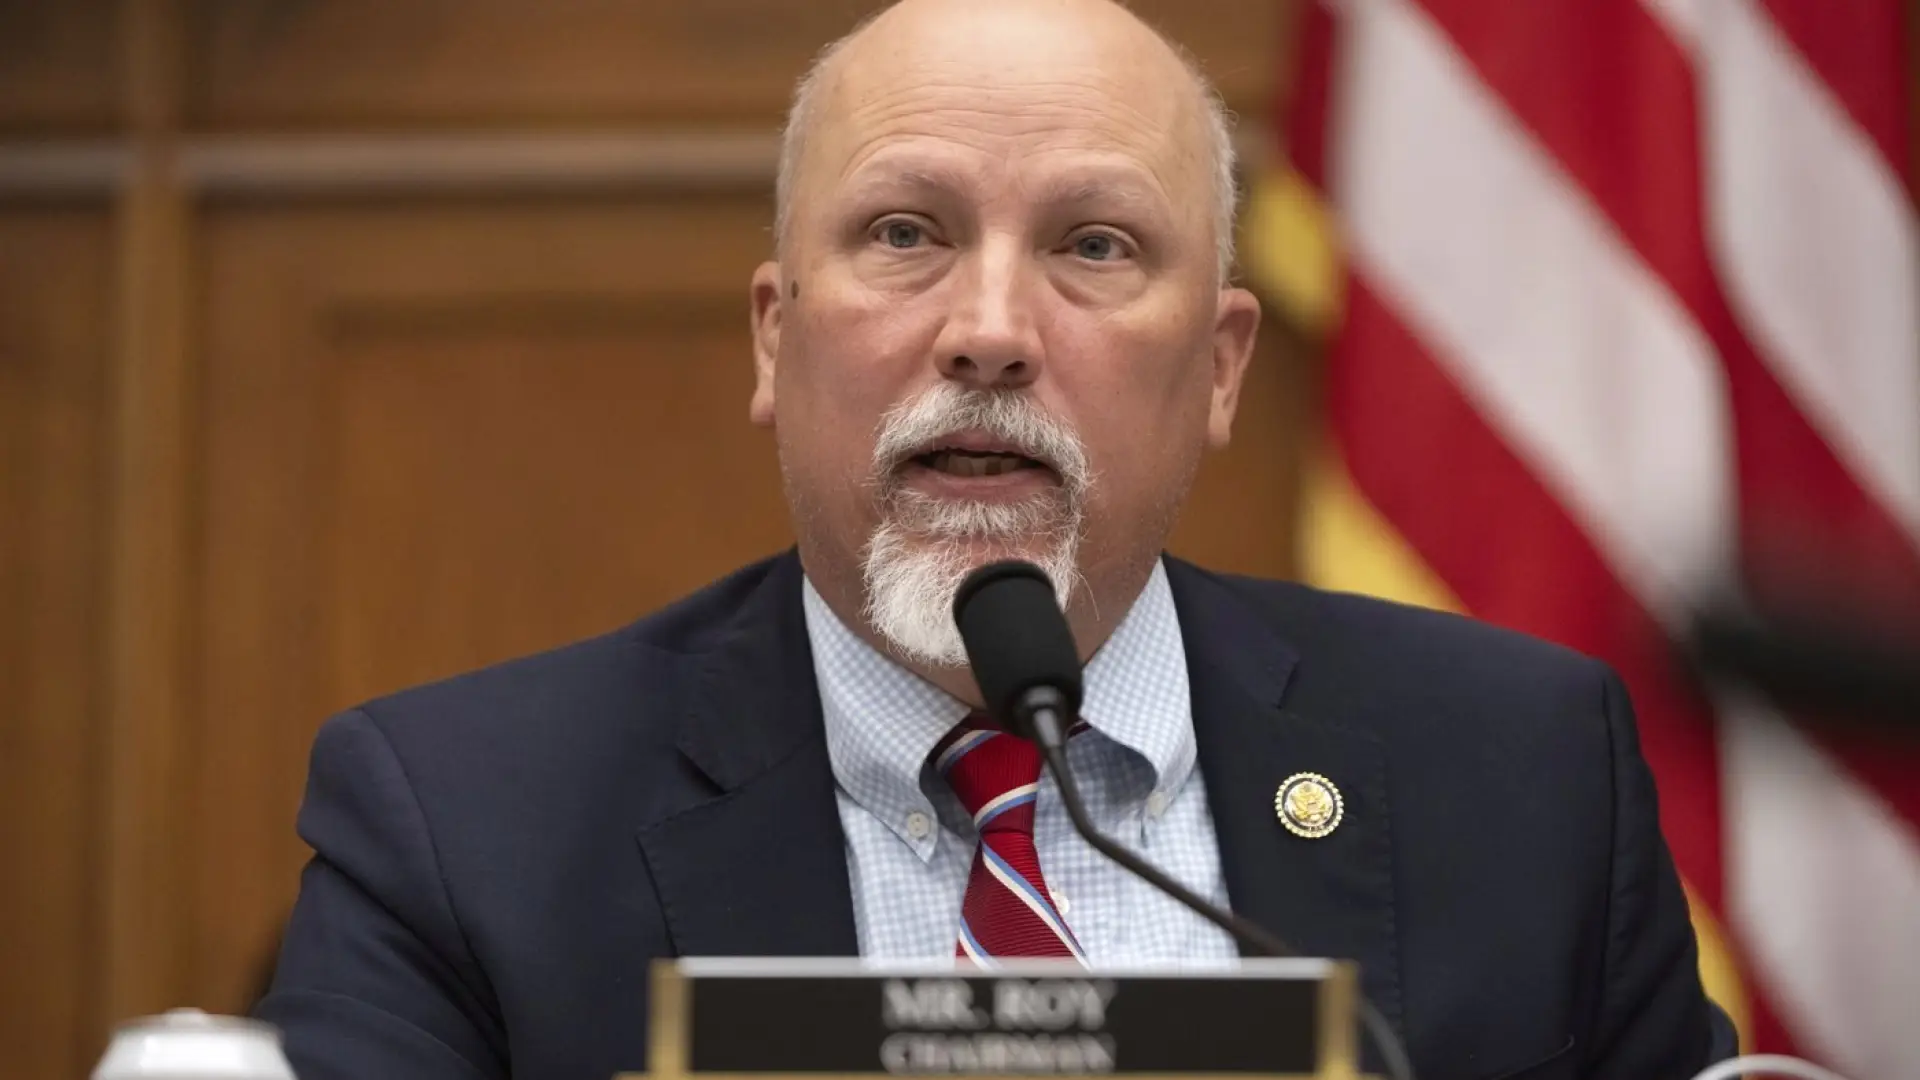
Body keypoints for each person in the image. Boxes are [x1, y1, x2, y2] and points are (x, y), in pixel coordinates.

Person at [256, 0, 1737, 1077]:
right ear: (776, 339)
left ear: (1222, 370)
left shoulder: (1521, 780)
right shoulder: (464, 829)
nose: (988, 332)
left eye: (1095, 245)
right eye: (905, 233)